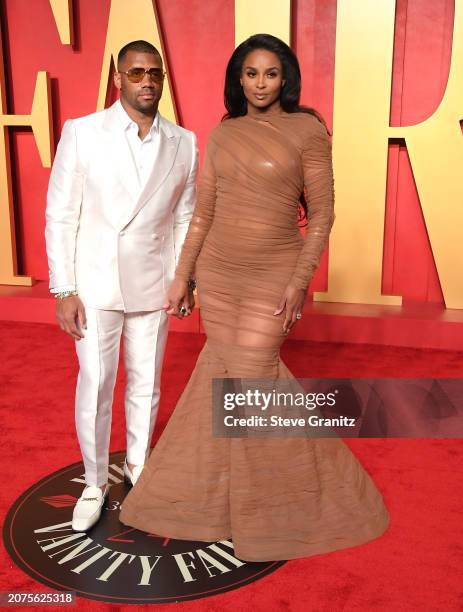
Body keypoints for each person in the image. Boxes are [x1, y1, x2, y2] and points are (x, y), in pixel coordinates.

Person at [119, 34, 390, 561]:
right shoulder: (224, 134)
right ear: (238, 79)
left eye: (270, 73)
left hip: (274, 272)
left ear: (285, 78)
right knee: (231, 383)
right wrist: (183, 277)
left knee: (251, 376)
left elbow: (323, 214)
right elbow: (203, 213)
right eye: (251, 73)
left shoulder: (308, 131)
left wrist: (298, 282)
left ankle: (294, 504)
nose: (261, 83)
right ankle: (223, 502)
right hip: (219, 274)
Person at [45, 40, 198, 532]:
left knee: (147, 385)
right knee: (96, 386)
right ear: (118, 78)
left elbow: (184, 218)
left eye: (154, 73)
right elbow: (61, 214)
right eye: (136, 73)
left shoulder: (186, 142)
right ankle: (94, 482)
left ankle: (138, 466)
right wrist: (63, 288)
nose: (147, 81)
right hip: (93, 285)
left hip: (154, 285)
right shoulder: (82, 132)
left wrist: (182, 278)